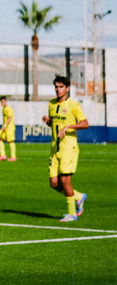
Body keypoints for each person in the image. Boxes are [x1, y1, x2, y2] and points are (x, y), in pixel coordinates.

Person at [42, 76, 88, 222]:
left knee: (65, 181)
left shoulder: (73, 105)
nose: (58, 89)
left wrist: (69, 127)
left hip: (69, 148)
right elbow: (54, 124)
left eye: (61, 86)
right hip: (55, 148)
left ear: (67, 88)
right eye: (56, 86)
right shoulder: (51, 104)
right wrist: (48, 122)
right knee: (54, 183)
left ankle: (72, 214)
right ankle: (78, 197)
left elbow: (85, 123)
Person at [0, 97, 17, 161]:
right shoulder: (3, 109)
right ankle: (3, 155)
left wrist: (5, 125)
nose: (3, 103)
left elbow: (9, 118)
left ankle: (13, 157)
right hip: (5, 127)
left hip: (9, 127)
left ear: (6, 101)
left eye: (3, 101)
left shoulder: (9, 108)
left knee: (10, 141)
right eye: (1, 102)